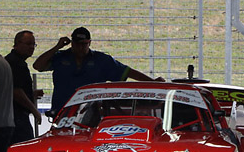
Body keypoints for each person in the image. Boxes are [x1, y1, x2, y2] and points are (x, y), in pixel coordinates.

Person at [33, 27, 163, 114]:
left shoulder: (101, 60)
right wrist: (57, 47)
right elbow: (37, 66)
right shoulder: (60, 57)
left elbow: (127, 72)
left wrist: (152, 82)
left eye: (84, 44)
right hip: (62, 111)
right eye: (77, 44)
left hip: (92, 114)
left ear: (89, 43)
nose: (81, 47)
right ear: (71, 43)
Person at [6, 30, 43, 144]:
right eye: (28, 44)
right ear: (17, 44)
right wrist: (34, 110)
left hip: (15, 116)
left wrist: (31, 94)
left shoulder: (15, 61)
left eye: (33, 44)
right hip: (16, 116)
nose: (31, 47)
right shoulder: (15, 63)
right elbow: (16, 91)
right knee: (24, 146)